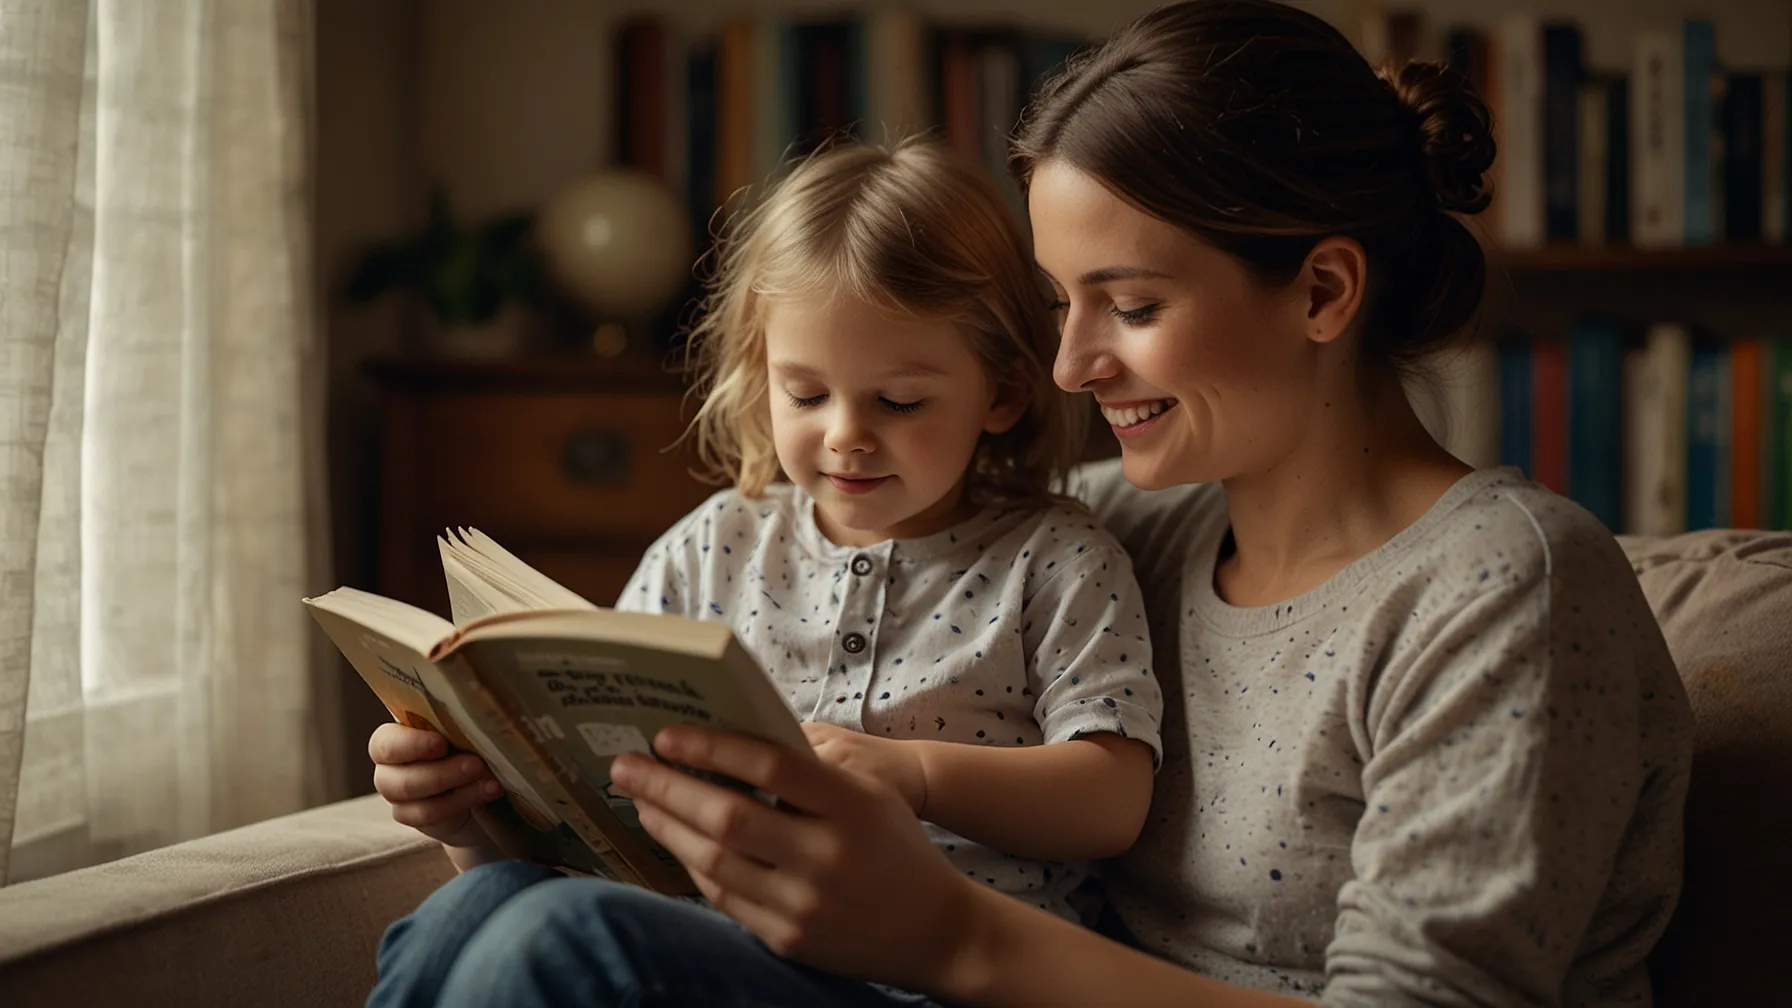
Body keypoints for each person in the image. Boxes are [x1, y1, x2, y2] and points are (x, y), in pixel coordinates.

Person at [368, 1, 1695, 1004]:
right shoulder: (1133, 523)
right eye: (1062, 307)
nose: (1063, 369)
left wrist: (946, 933)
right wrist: (490, 795)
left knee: (563, 946)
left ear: (1324, 293)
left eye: (1130, 306)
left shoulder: (1503, 587)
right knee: (487, 909)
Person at [367, 137, 1166, 1008]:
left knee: (569, 935)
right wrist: (466, 814)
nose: (846, 434)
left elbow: (1111, 796)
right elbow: (601, 829)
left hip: (932, 982)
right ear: (763, 376)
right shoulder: (710, 550)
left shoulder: (1056, 559)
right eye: (806, 394)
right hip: (714, 949)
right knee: (476, 902)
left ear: (1002, 395)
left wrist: (917, 775)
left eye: (899, 402)